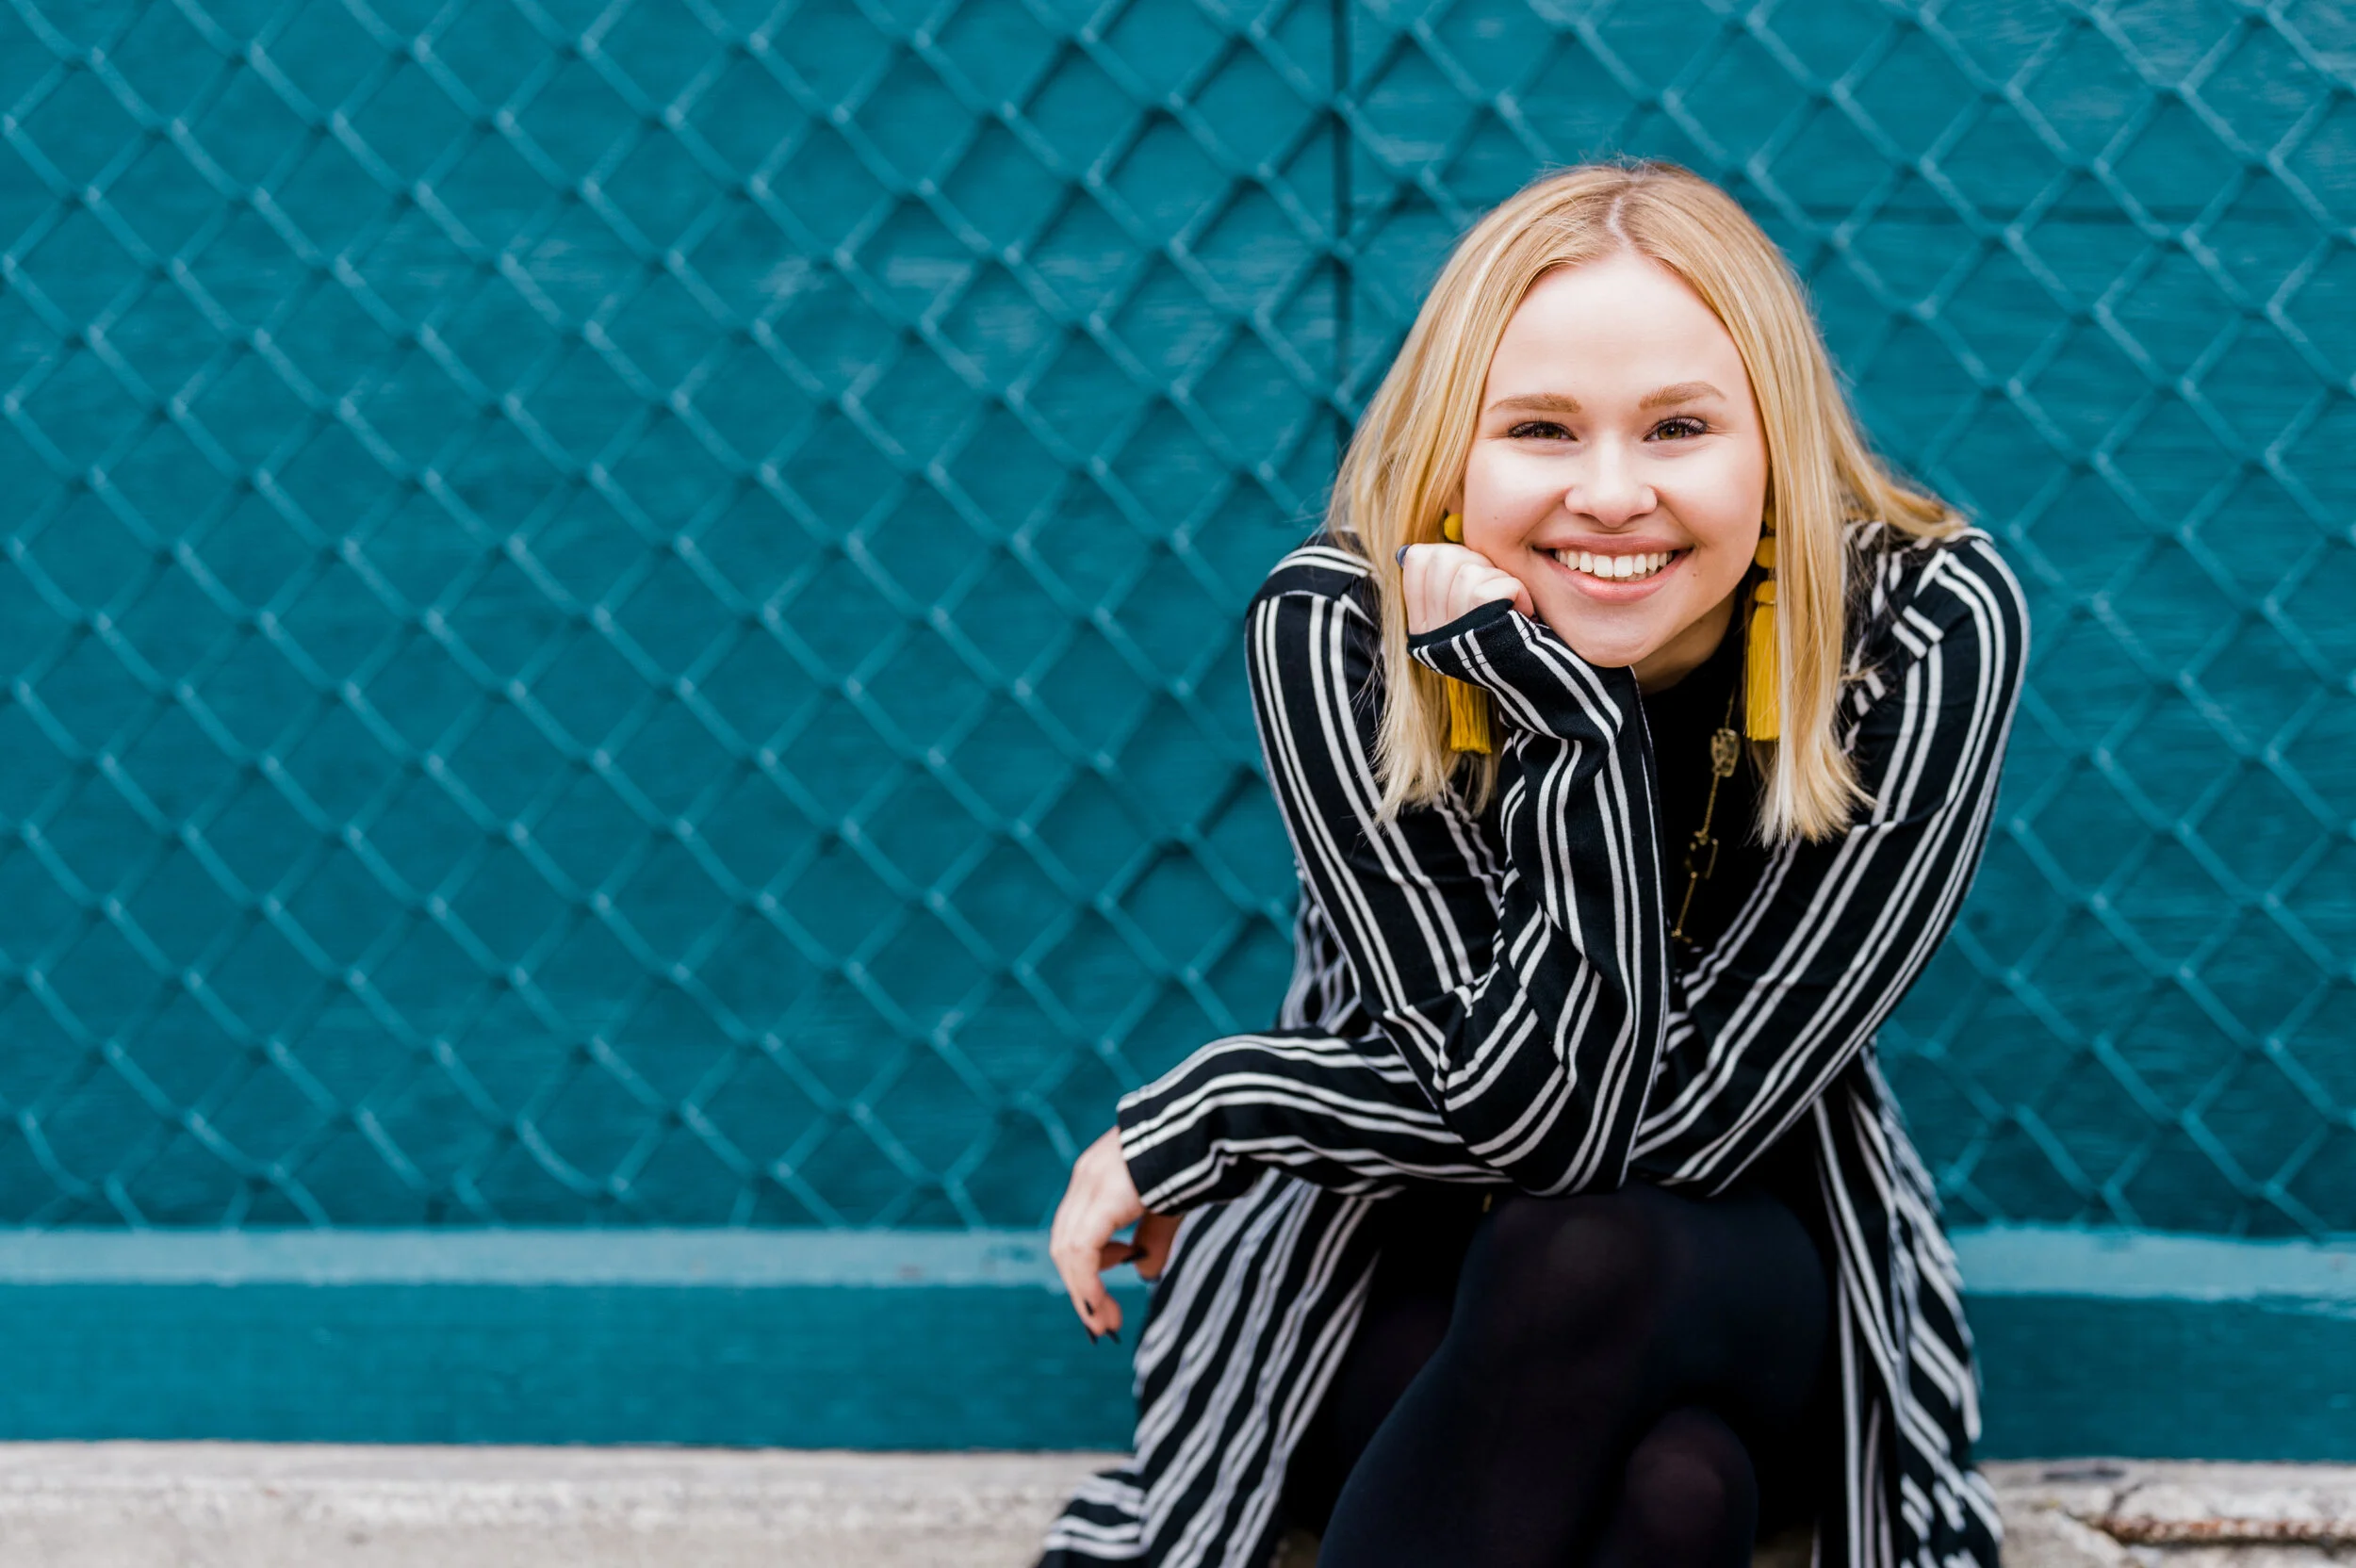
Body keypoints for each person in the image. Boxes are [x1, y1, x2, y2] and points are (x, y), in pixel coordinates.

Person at [1037, 157, 2025, 1568]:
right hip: (1378, 1276)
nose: (1611, 495)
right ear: (1453, 450)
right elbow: (1525, 1113)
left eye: (1680, 426)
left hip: (1737, 1261)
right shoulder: (1341, 634)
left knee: (1583, 1248)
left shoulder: (1918, 627)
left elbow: (1688, 1119)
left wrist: (1232, 1104)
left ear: (1777, 442)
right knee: (1675, 1497)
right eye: (1541, 429)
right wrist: (1567, 721)